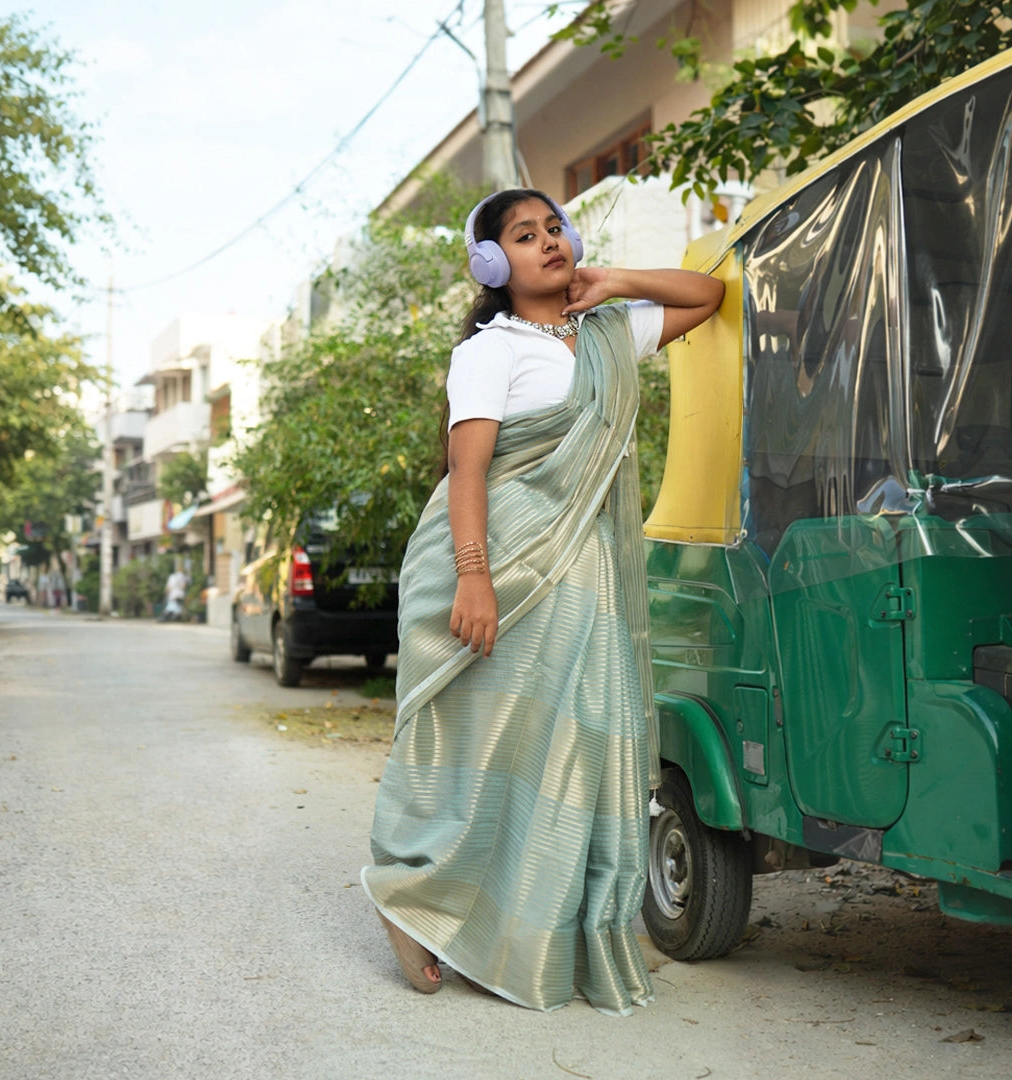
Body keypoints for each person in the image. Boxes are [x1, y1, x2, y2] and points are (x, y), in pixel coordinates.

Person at [361, 188, 724, 1015]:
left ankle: (544, 928)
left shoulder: (606, 333)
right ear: (494, 263)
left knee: (574, 748)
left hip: (589, 567)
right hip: (506, 566)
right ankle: (410, 897)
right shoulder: (493, 350)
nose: (548, 242)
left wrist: (614, 279)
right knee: (490, 742)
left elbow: (707, 296)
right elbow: (470, 472)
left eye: (554, 227)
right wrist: (474, 575)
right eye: (524, 236)